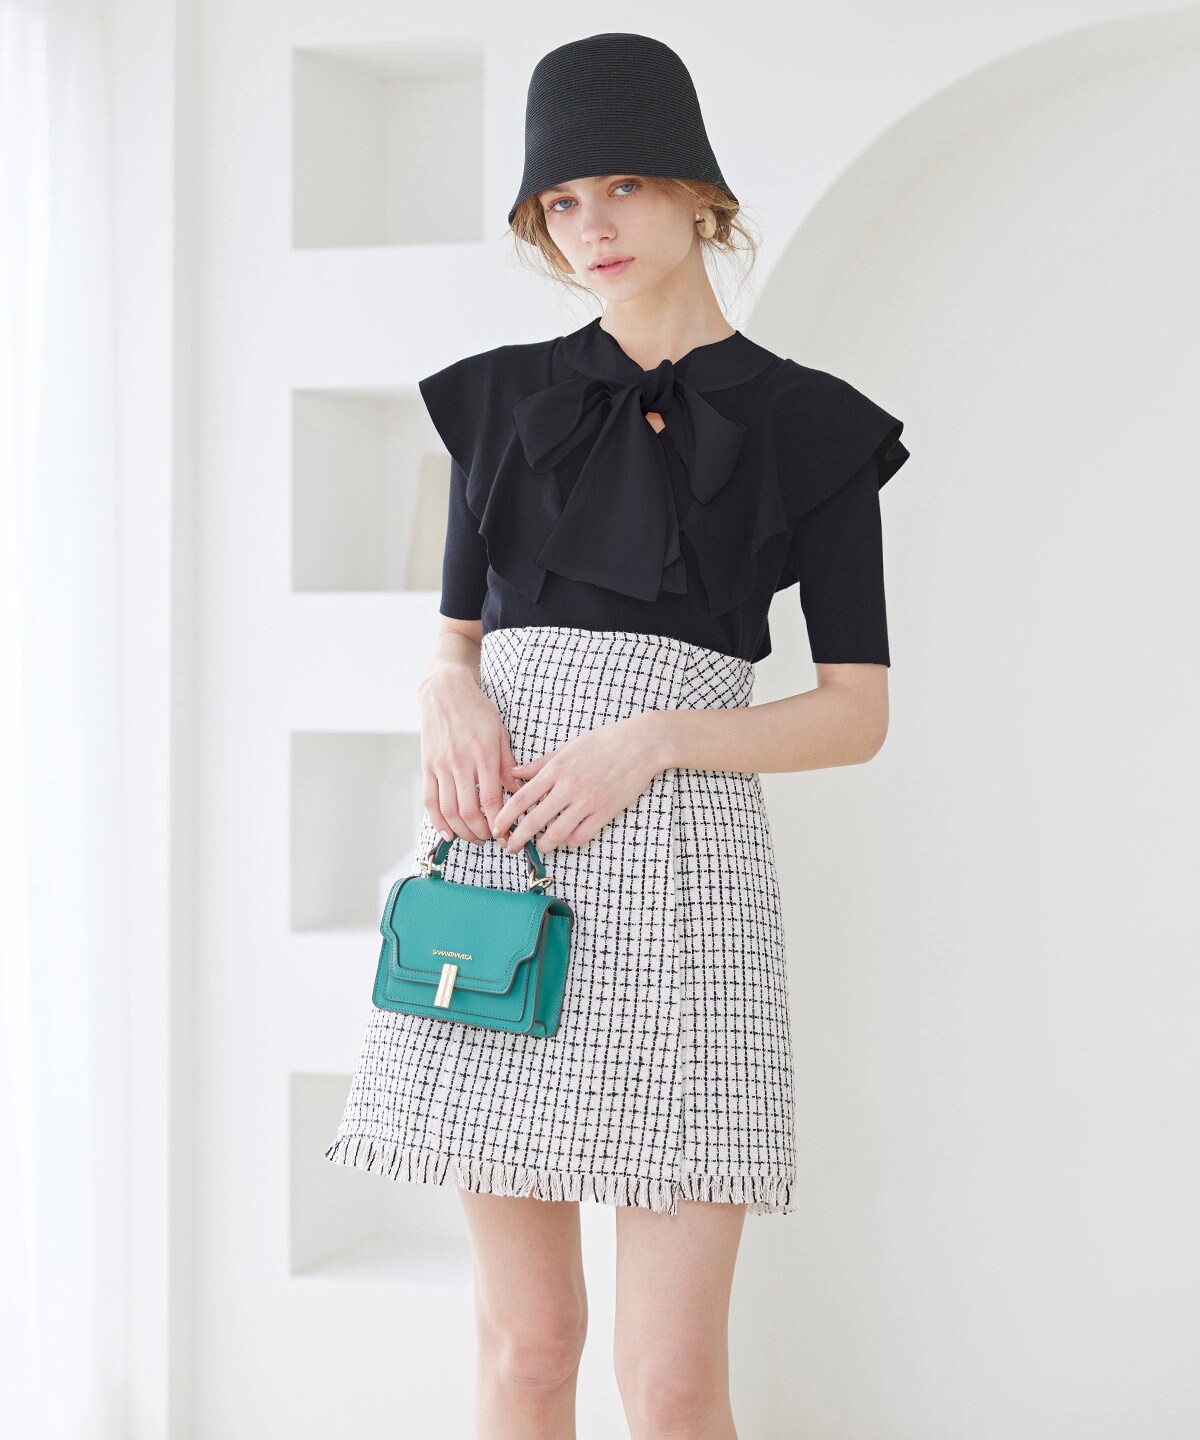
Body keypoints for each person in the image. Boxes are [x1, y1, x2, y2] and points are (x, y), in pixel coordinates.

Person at [326, 31, 910, 1440]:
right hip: (504, 862)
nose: (591, 226)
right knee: (528, 1348)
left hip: (688, 882)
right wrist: (444, 688)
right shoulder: (497, 399)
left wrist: (650, 740)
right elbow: (456, 638)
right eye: (562, 201)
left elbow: (857, 713)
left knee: (671, 1386)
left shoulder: (811, 424)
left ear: (702, 193)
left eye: (626, 186)